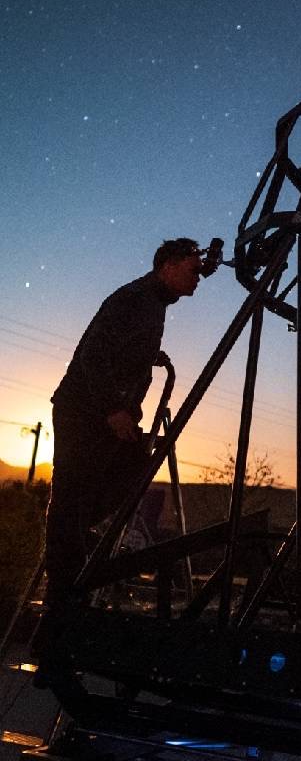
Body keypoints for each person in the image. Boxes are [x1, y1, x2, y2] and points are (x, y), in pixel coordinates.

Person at [43, 238, 204, 611]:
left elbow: (123, 350)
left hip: (107, 413)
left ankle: (73, 540)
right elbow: (93, 354)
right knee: (73, 494)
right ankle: (62, 589)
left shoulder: (155, 304)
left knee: (134, 467)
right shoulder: (134, 298)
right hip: (85, 411)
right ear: (169, 264)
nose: (198, 279)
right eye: (193, 270)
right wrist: (114, 409)